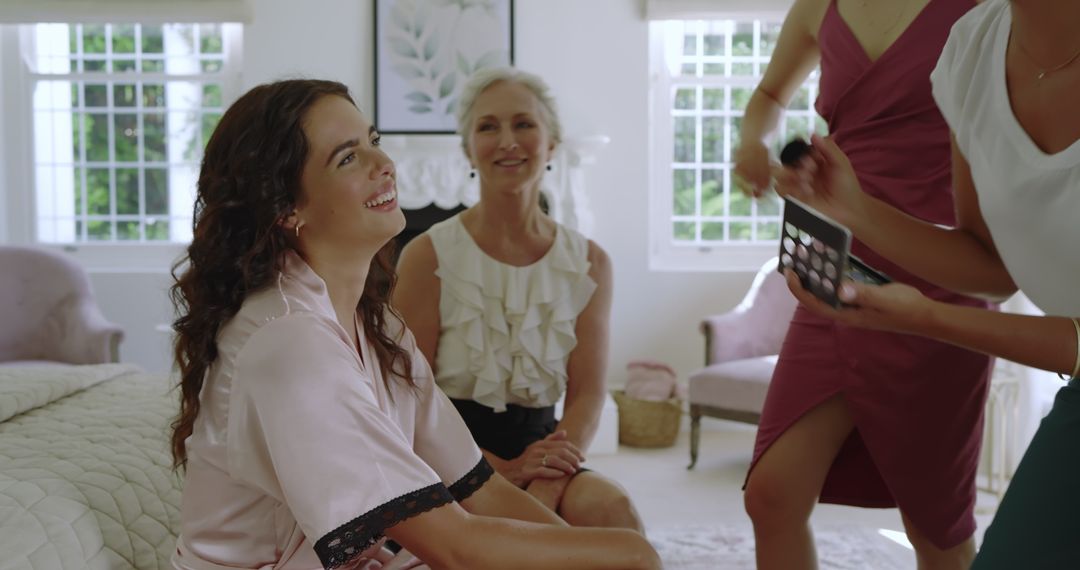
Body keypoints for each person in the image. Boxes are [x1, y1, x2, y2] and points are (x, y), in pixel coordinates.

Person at [168, 78, 661, 570]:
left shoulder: (374, 321)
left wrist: (595, 557)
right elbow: (455, 547)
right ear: (287, 208)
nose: (383, 165)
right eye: (347, 158)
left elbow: (480, 488)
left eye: (373, 142)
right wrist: (626, 557)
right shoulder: (290, 343)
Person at [771, 0, 1080, 567]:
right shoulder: (971, 49)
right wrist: (855, 210)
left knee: (938, 519)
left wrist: (927, 317)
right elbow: (989, 264)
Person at [732, 1, 992, 568]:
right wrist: (753, 140)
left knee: (935, 520)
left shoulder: (987, 10)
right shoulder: (816, 8)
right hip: (837, 264)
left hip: (942, 270)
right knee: (771, 494)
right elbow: (769, 96)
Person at [392, 67, 643, 532]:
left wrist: (549, 474)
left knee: (615, 515)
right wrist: (497, 473)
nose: (508, 140)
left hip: (548, 450)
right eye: (488, 127)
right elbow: (409, 397)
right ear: (468, 148)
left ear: (552, 143)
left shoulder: (591, 263)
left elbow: (587, 393)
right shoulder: (426, 255)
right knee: (525, 537)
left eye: (524, 124)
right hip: (447, 460)